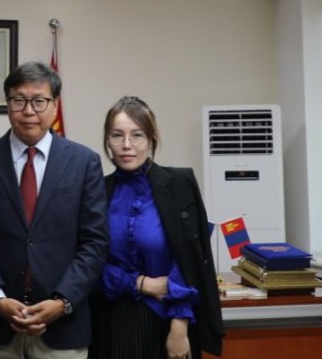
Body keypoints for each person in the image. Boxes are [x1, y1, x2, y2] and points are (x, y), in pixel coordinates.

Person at [0, 61, 109, 359]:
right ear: (7, 104)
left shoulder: (84, 163)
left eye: (39, 101)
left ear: (55, 105)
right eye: (19, 100)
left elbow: (95, 242)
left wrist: (62, 301)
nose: (28, 111)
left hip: (63, 329)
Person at [90, 96, 223, 359]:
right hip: (112, 321)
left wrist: (179, 327)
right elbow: (90, 262)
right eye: (117, 135)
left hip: (169, 319)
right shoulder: (97, 191)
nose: (127, 145)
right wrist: (141, 283)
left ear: (151, 139)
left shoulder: (179, 184)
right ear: (107, 141)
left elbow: (189, 260)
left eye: (137, 135)